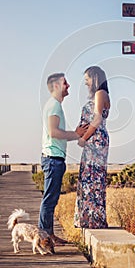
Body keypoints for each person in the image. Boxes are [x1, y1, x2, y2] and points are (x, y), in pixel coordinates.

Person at [39, 73, 88, 245]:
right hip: (53, 159)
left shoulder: (54, 106)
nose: (69, 85)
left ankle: (48, 235)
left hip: (54, 159)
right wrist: (76, 134)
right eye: (65, 83)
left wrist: (75, 134)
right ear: (57, 86)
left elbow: (56, 133)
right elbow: (54, 132)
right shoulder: (54, 106)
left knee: (51, 199)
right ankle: (45, 237)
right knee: (49, 200)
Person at [74, 66, 110, 229]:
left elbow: (96, 120)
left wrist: (84, 138)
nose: (85, 83)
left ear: (94, 78)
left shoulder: (100, 94)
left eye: (87, 79)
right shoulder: (100, 95)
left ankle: (93, 219)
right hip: (94, 139)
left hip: (95, 140)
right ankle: (89, 218)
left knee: (92, 177)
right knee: (90, 177)